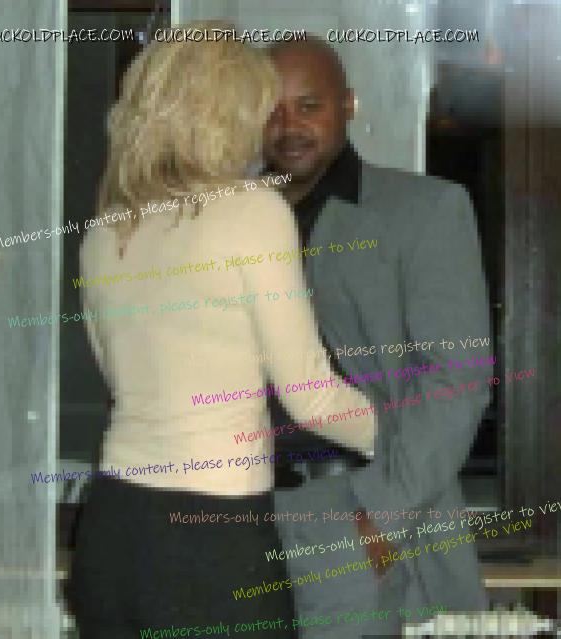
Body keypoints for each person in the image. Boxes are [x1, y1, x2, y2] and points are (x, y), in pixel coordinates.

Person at [68, 22, 378, 639]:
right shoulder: (252, 211)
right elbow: (312, 397)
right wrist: (405, 438)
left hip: (112, 533)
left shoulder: (106, 231)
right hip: (211, 543)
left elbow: (125, 384)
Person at [264, 36, 491, 637]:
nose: (288, 126)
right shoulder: (227, 221)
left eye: (309, 106)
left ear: (348, 105)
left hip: (352, 513)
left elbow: (456, 382)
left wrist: (381, 520)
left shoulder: (424, 210)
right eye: (270, 108)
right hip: (232, 518)